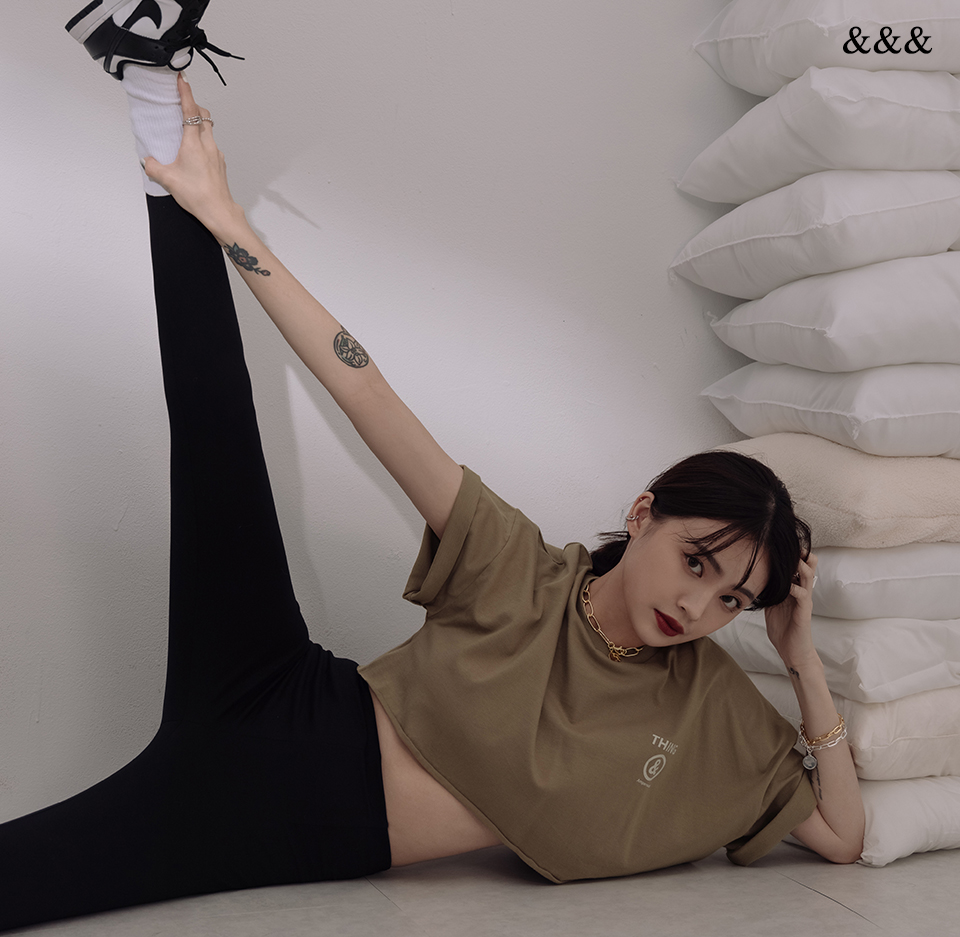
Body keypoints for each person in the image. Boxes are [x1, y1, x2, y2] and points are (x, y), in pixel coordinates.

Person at [0, 1, 864, 930]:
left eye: (734, 599)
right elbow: (366, 392)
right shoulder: (521, 573)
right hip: (284, 688)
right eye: (697, 561)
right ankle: (158, 109)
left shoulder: (707, 704)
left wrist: (799, 656)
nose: (698, 607)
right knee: (216, 426)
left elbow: (839, 835)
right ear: (644, 513)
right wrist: (230, 221)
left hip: (274, 827)